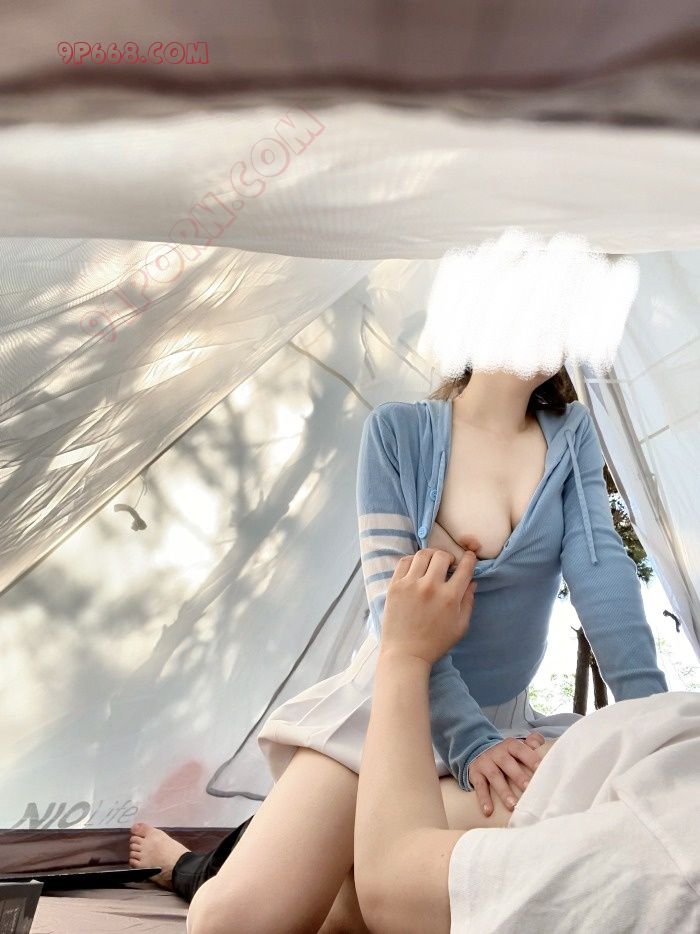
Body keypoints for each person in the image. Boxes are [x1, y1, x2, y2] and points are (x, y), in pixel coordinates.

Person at [132, 363, 669, 932]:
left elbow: (601, 571)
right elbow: (392, 611)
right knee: (234, 922)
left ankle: (343, 871)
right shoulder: (398, 432)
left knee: (568, 833)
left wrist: (652, 722)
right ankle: (188, 867)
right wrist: (469, 742)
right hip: (387, 715)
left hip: (504, 726)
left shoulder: (571, 432)